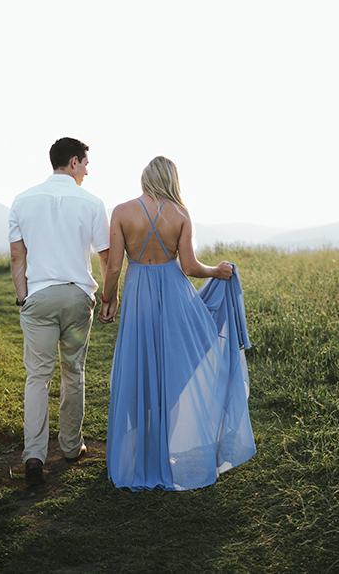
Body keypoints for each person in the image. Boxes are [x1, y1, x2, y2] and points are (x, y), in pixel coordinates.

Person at [99, 156, 256, 491]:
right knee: (173, 370)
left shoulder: (122, 212)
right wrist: (216, 271)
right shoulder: (181, 214)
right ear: (172, 179)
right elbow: (188, 266)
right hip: (174, 296)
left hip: (139, 293)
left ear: (145, 178)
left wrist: (108, 299)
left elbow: (113, 267)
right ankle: (164, 449)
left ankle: (141, 456)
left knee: (139, 369)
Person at [9, 137, 110, 487]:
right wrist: (108, 296)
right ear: (72, 162)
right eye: (85, 162)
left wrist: (23, 297)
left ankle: (34, 455)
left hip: (38, 297)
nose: (87, 169)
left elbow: (17, 257)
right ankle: (70, 446)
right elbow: (106, 256)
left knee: (37, 377)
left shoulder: (22, 200)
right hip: (77, 298)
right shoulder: (93, 203)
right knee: (74, 371)